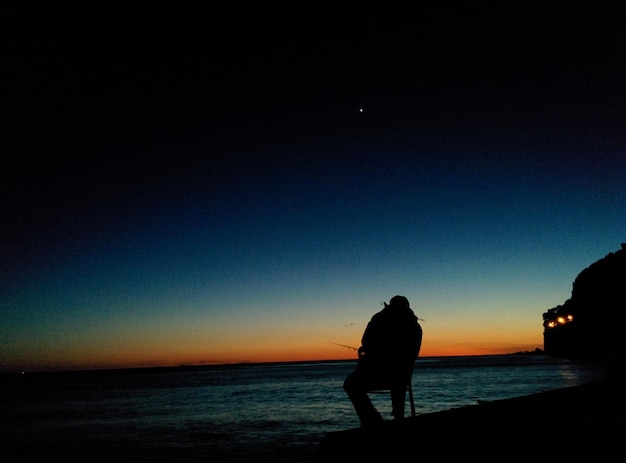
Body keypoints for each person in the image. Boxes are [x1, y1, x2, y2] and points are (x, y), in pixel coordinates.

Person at [343, 295, 423, 427]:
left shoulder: (379, 320)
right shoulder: (415, 327)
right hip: (402, 375)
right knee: (398, 378)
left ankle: (371, 419)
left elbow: (365, 342)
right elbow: (413, 355)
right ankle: (397, 416)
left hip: (379, 373)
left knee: (350, 384)